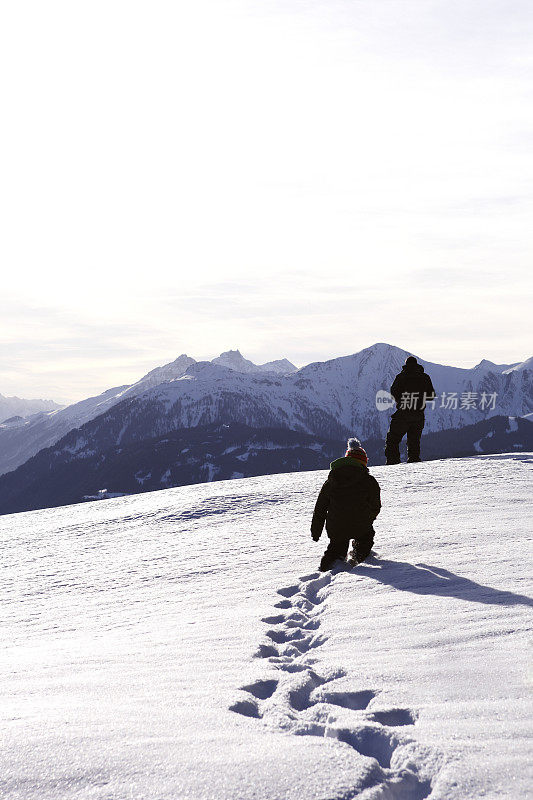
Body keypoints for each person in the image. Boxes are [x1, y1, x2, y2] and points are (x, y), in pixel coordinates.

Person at [311, 438, 381, 572]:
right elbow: (375, 506)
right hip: (361, 525)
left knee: (336, 547)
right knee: (365, 539)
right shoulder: (369, 481)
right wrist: (368, 519)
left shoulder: (331, 480)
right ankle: (359, 556)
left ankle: (327, 568)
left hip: (336, 527)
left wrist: (316, 532)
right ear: (363, 462)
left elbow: (320, 508)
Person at [385, 355, 436, 464]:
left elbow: (393, 392)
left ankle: (393, 463)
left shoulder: (401, 377)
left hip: (403, 413)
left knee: (392, 440)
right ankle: (414, 465)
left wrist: (401, 400)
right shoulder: (425, 377)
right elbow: (431, 395)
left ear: (406, 365)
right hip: (419, 415)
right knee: (414, 442)